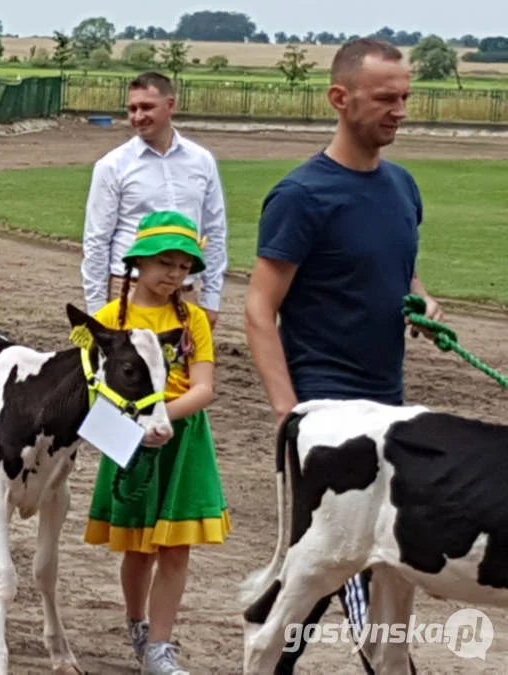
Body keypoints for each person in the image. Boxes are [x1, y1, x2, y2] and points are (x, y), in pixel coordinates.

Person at [244, 37, 444, 673]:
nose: (400, 110)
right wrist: (287, 412)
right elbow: (259, 309)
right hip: (327, 419)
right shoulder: (302, 196)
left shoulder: (403, 188)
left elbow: (398, 271)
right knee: (359, 570)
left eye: (405, 97)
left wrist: (421, 301)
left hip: (388, 414)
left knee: (328, 578)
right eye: (386, 98)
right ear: (340, 98)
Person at [85, 210, 229, 675]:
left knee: (175, 547)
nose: (175, 274)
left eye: (185, 267)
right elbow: (89, 385)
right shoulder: (109, 319)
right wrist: (132, 426)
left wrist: (161, 417)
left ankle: (161, 648)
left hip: (181, 438)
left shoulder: (194, 322)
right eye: (166, 262)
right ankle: (137, 623)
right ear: (138, 264)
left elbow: (203, 387)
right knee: (138, 546)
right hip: (128, 436)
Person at [81, 71, 228, 328]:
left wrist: (212, 300)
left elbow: (214, 231)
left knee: (186, 367)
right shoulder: (112, 166)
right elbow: (96, 241)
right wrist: (96, 312)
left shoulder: (201, 161)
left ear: (171, 105)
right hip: (129, 290)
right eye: (132, 109)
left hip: (184, 290)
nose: (138, 117)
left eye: (147, 107)